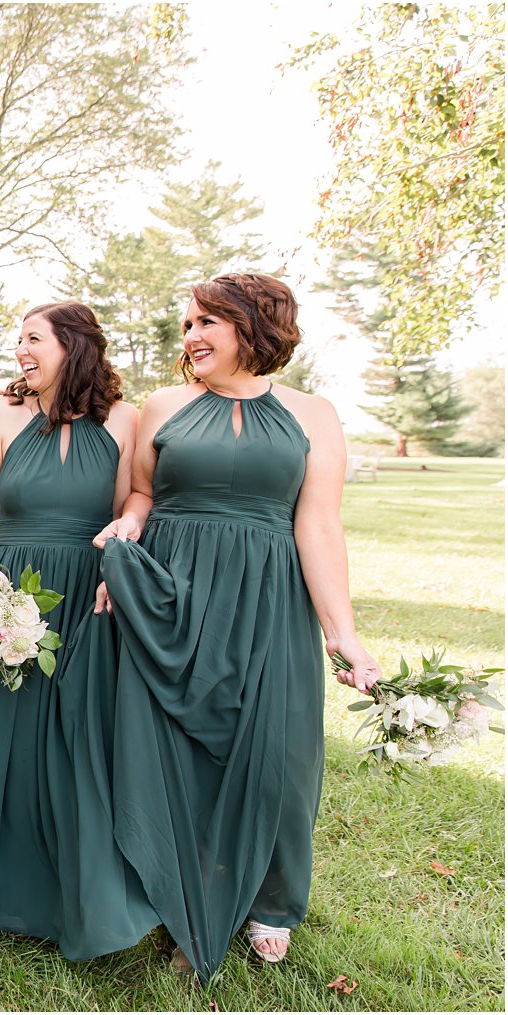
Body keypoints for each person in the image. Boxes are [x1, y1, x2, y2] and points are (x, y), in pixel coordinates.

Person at [94, 273, 383, 980]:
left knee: (278, 754)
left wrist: (340, 630)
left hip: (267, 597)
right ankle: (168, 878)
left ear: (254, 326)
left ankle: (272, 900)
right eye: (187, 323)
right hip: (172, 592)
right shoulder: (162, 405)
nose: (189, 336)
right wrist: (126, 530)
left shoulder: (313, 414)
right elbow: (141, 492)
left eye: (206, 323)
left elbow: (316, 524)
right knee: (168, 744)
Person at [0, 301, 156, 958]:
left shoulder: (123, 419)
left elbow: (133, 500)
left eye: (33, 339)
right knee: (6, 726)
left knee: (73, 735)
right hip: (13, 583)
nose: (20, 351)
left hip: (88, 592)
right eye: (18, 341)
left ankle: (66, 863)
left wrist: (127, 537)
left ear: (73, 345)